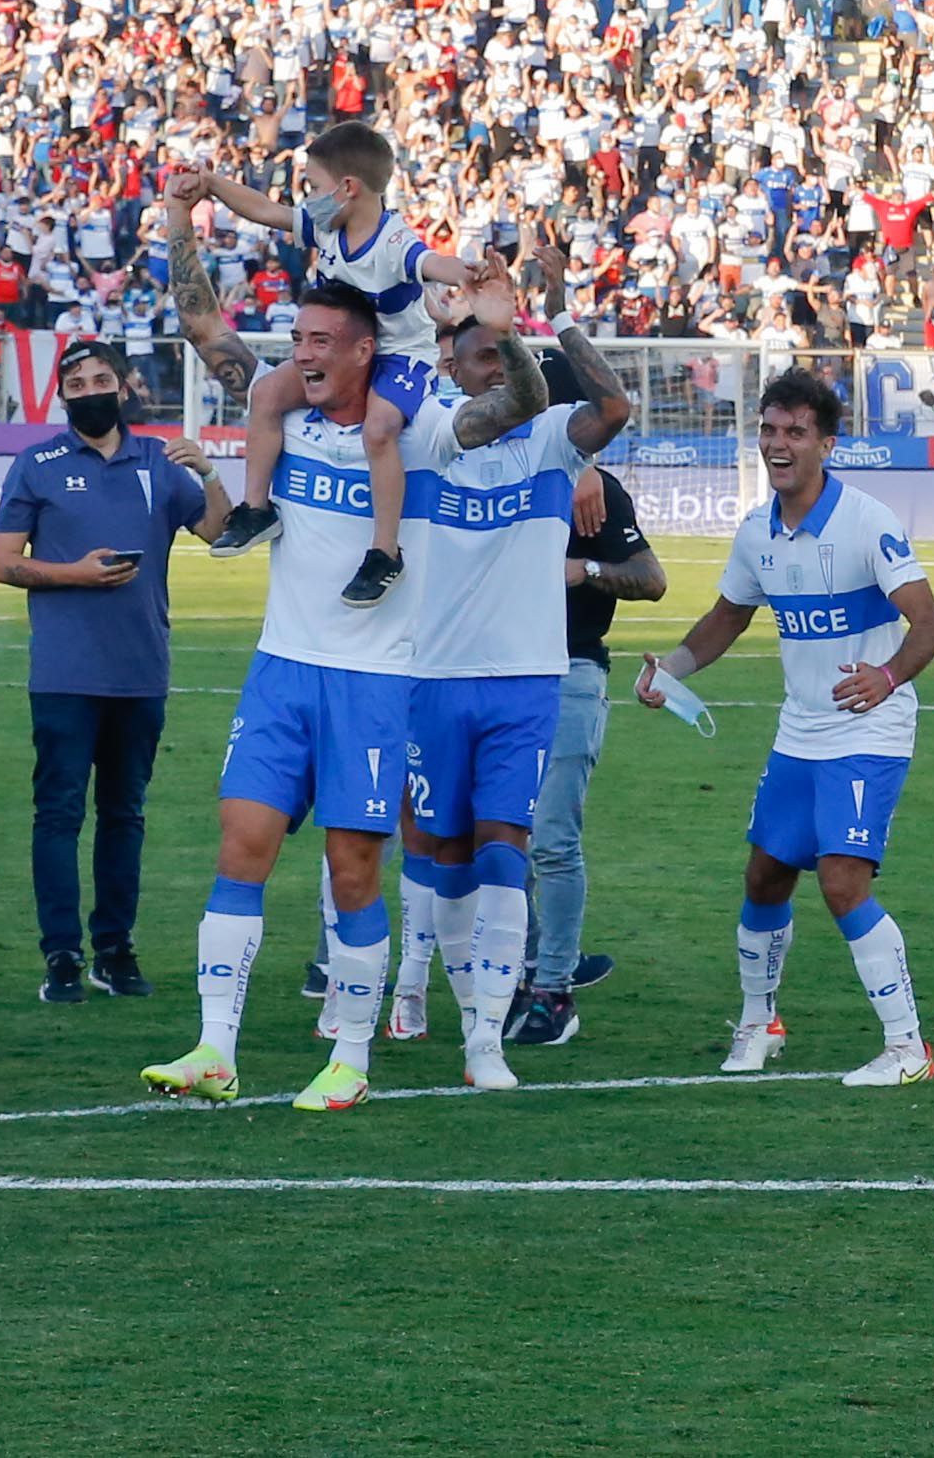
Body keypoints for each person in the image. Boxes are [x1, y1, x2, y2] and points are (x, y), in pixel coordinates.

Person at [142, 282, 421, 1113]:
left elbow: (509, 406)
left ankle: (352, 1057)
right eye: (296, 338)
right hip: (281, 667)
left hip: (372, 677)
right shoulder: (282, 411)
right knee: (242, 842)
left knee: (352, 868)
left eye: (321, 341)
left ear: (365, 350)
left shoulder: (417, 427)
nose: (303, 354)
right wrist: (181, 216)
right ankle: (214, 1050)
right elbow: (201, 324)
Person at [638, 368, 934, 1087]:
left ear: (825, 443)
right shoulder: (757, 532)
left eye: (795, 433)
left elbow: (928, 623)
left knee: (842, 881)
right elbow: (727, 617)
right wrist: (672, 670)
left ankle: (907, 1049)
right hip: (799, 732)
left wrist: (888, 675)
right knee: (765, 876)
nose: (778, 445)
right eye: (770, 430)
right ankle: (759, 1021)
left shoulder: (866, 521)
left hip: (869, 729)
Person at [384, 260, 631, 1092]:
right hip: (434, 674)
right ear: (450, 366)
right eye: (477, 353)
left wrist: (537, 321)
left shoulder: (554, 436)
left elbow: (615, 408)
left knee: (503, 853)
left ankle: (485, 1040)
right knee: (440, 858)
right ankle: (431, 994)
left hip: (527, 678)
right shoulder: (426, 432)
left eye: (503, 354)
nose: (493, 366)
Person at [0, 337, 235, 1005]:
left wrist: (210, 473)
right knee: (59, 814)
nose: (91, 390)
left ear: (123, 387)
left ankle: (115, 949)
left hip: (140, 670)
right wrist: (75, 574)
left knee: (125, 815)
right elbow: (1, 562)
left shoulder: (158, 460)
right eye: (77, 383)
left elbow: (220, 533)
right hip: (65, 673)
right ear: (62, 396)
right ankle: (62, 954)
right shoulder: (36, 464)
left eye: (102, 379)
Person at [185, 125, 467, 606]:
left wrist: (473, 275)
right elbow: (265, 210)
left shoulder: (393, 241)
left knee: (379, 429)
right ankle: (256, 509)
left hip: (398, 355)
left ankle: (384, 551)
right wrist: (212, 185)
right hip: (342, 353)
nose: (309, 199)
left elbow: (435, 264)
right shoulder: (326, 225)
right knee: (267, 394)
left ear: (348, 188)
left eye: (315, 187)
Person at [515, 454, 665, 1045]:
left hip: (570, 672)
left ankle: (554, 990)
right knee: (495, 843)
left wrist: (587, 569)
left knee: (550, 840)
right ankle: (524, 976)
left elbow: (652, 580)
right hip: (495, 674)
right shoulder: (487, 466)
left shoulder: (596, 492)